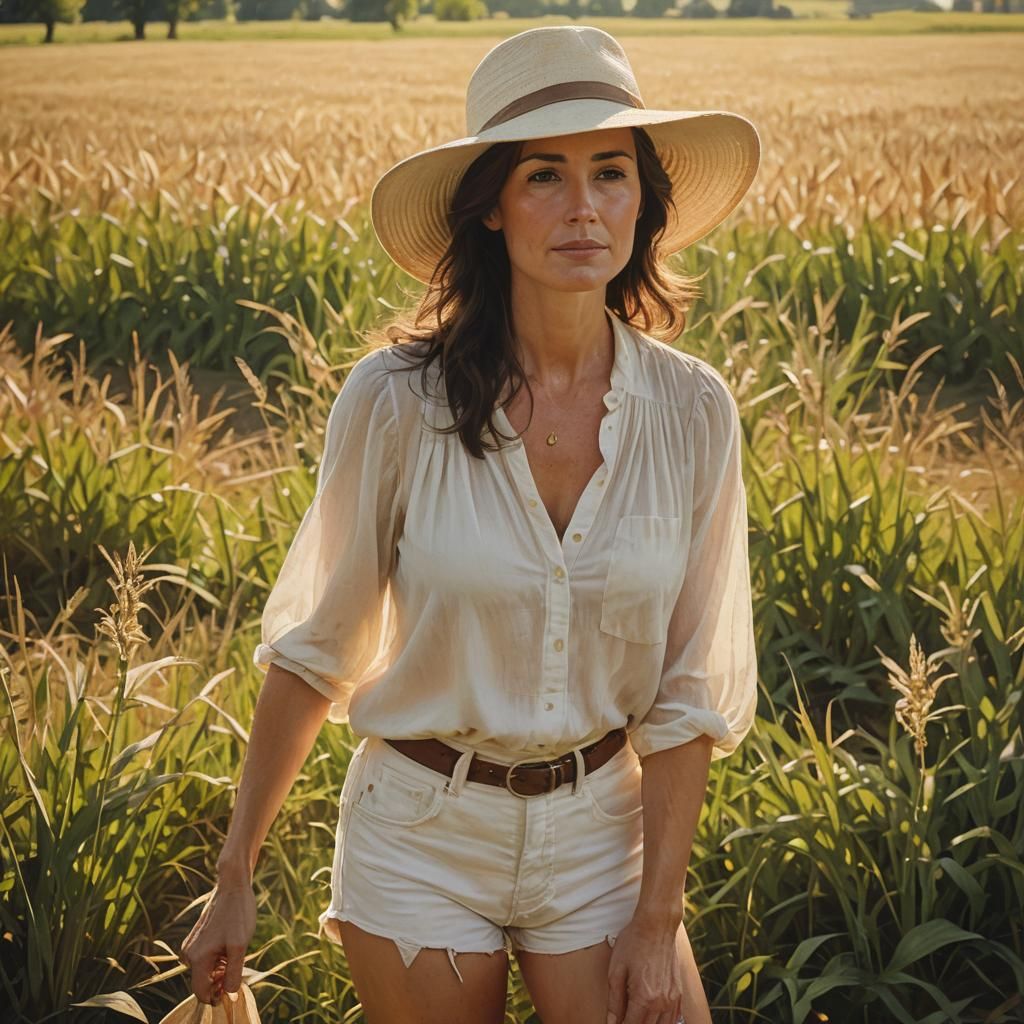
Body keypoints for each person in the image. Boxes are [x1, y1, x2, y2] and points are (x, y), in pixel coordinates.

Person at [180, 24, 761, 1024]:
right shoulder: (395, 401)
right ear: (489, 205)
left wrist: (656, 917)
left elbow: (688, 690)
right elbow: (319, 648)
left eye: (609, 173)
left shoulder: (693, 411)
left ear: (643, 201)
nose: (583, 207)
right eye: (544, 175)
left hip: (598, 831)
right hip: (419, 830)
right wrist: (234, 874)